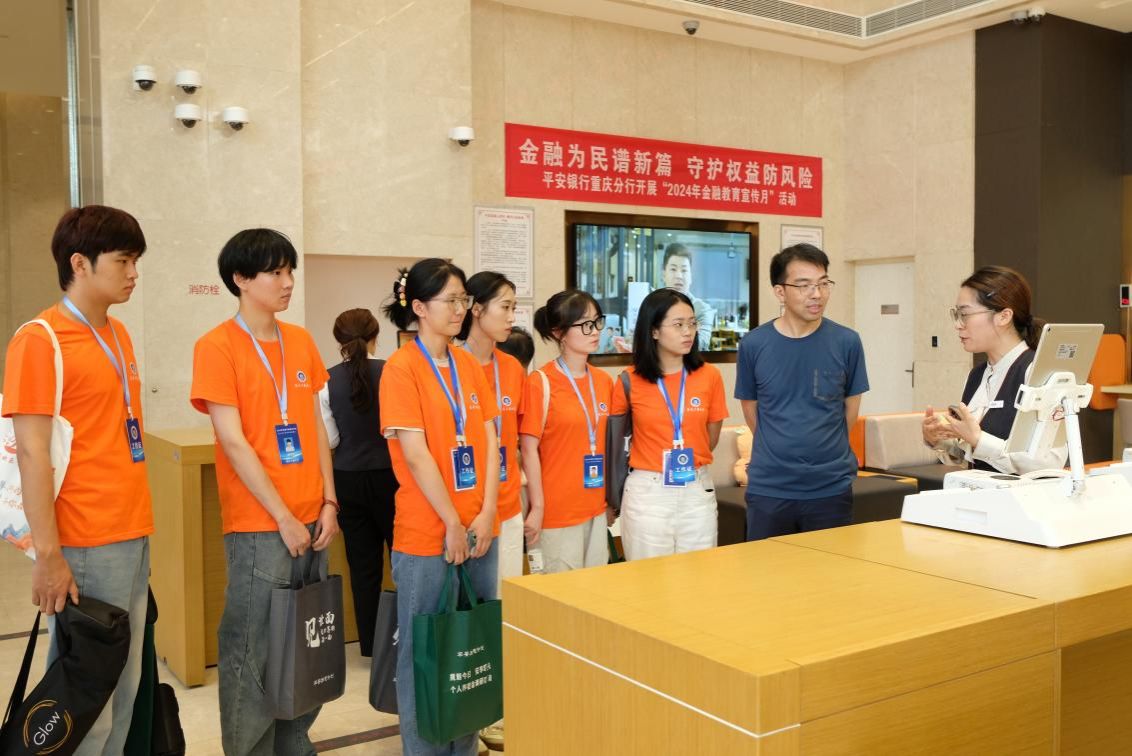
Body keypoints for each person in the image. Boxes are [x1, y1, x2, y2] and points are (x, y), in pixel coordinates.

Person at [2, 205, 151, 756]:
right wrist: (48, 555)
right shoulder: (40, 340)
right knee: (86, 703)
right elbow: (32, 454)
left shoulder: (117, 334)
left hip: (130, 532)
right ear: (80, 263)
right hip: (84, 539)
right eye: (123, 261)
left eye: (136, 261)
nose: (134, 273)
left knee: (124, 690)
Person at [190, 228, 340, 755]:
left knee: (305, 642)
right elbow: (232, 441)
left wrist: (329, 501)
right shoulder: (216, 346)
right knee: (251, 649)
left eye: (289, 270)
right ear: (240, 279)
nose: (288, 281)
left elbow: (317, 427)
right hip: (260, 526)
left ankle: (296, 744)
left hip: (313, 520)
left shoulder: (300, 341)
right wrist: (282, 516)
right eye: (275, 272)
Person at [378, 258, 499, 756]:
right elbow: (415, 453)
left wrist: (487, 512)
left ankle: (464, 748)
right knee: (425, 653)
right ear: (420, 307)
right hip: (427, 532)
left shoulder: (468, 364)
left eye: (463, 300)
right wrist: (451, 520)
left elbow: (490, 441)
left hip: (479, 529)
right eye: (450, 300)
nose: (460, 309)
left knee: (469, 647)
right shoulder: (401, 368)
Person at [735, 243, 868, 541]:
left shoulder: (847, 342)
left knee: (829, 569)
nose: (817, 294)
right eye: (804, 285)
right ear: (780, 292)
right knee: (768, 568)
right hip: (770, 488)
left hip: (830, 487)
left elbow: (850, 409)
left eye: (823, 283)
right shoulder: (754, 345)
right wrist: (779, 446)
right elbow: (750, 408)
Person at [610, 288, 729, 560]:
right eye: (678, 325)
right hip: (648, 493)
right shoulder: (629, 380)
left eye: (692, 323)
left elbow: (710, 437)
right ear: (654, 331)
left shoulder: (709, 376)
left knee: (699, 575)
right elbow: (616, 444)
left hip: (696, 490)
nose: (688, 332)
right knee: (648, 579)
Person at [921, 266, 1067, 473]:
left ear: (1004, 316)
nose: (958, 325)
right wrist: (938, 440)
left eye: (965, 314)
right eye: (957, 314)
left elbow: (1048, 463)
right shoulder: (976, 375)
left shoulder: (1037, 374)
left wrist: (979, 439)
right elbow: (971, 455)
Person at [318, 308, 396, 657]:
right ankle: (406, 638)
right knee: (404, 561)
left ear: (339, 341)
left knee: (363, 568)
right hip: (393, 478)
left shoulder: (325, 381)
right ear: (376, 335)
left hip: (347, 478)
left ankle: (371, 645)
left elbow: (330, 439)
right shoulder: (394, 372)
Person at [521, 289, 613, 572]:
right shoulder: (540, 382)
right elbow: (528, 450)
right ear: (559, 332)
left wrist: (611, 501)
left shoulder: (604, 381)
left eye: (597, 321)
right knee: (558, 594)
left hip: (596, 507)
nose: (594, 330)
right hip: (556, 512)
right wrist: (537, 507)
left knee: (596, 591)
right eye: (584, 324)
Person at [458, 272, 525, 591]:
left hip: (508, 505)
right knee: (472, 608)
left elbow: (520, 440)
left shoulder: (512, 368)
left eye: (514, 308)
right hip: (466, 509)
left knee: (507, 604)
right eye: (505, 307)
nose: (512, 318)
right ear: (476, 309)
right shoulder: (451, 366)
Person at [660, 244, 716, 351]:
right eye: (673, 269)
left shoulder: (702, 310)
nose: (679, 276)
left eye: (684, 270)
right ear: (664, 274)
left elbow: (701, 344)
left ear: (691, 276)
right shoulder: (652, 306)